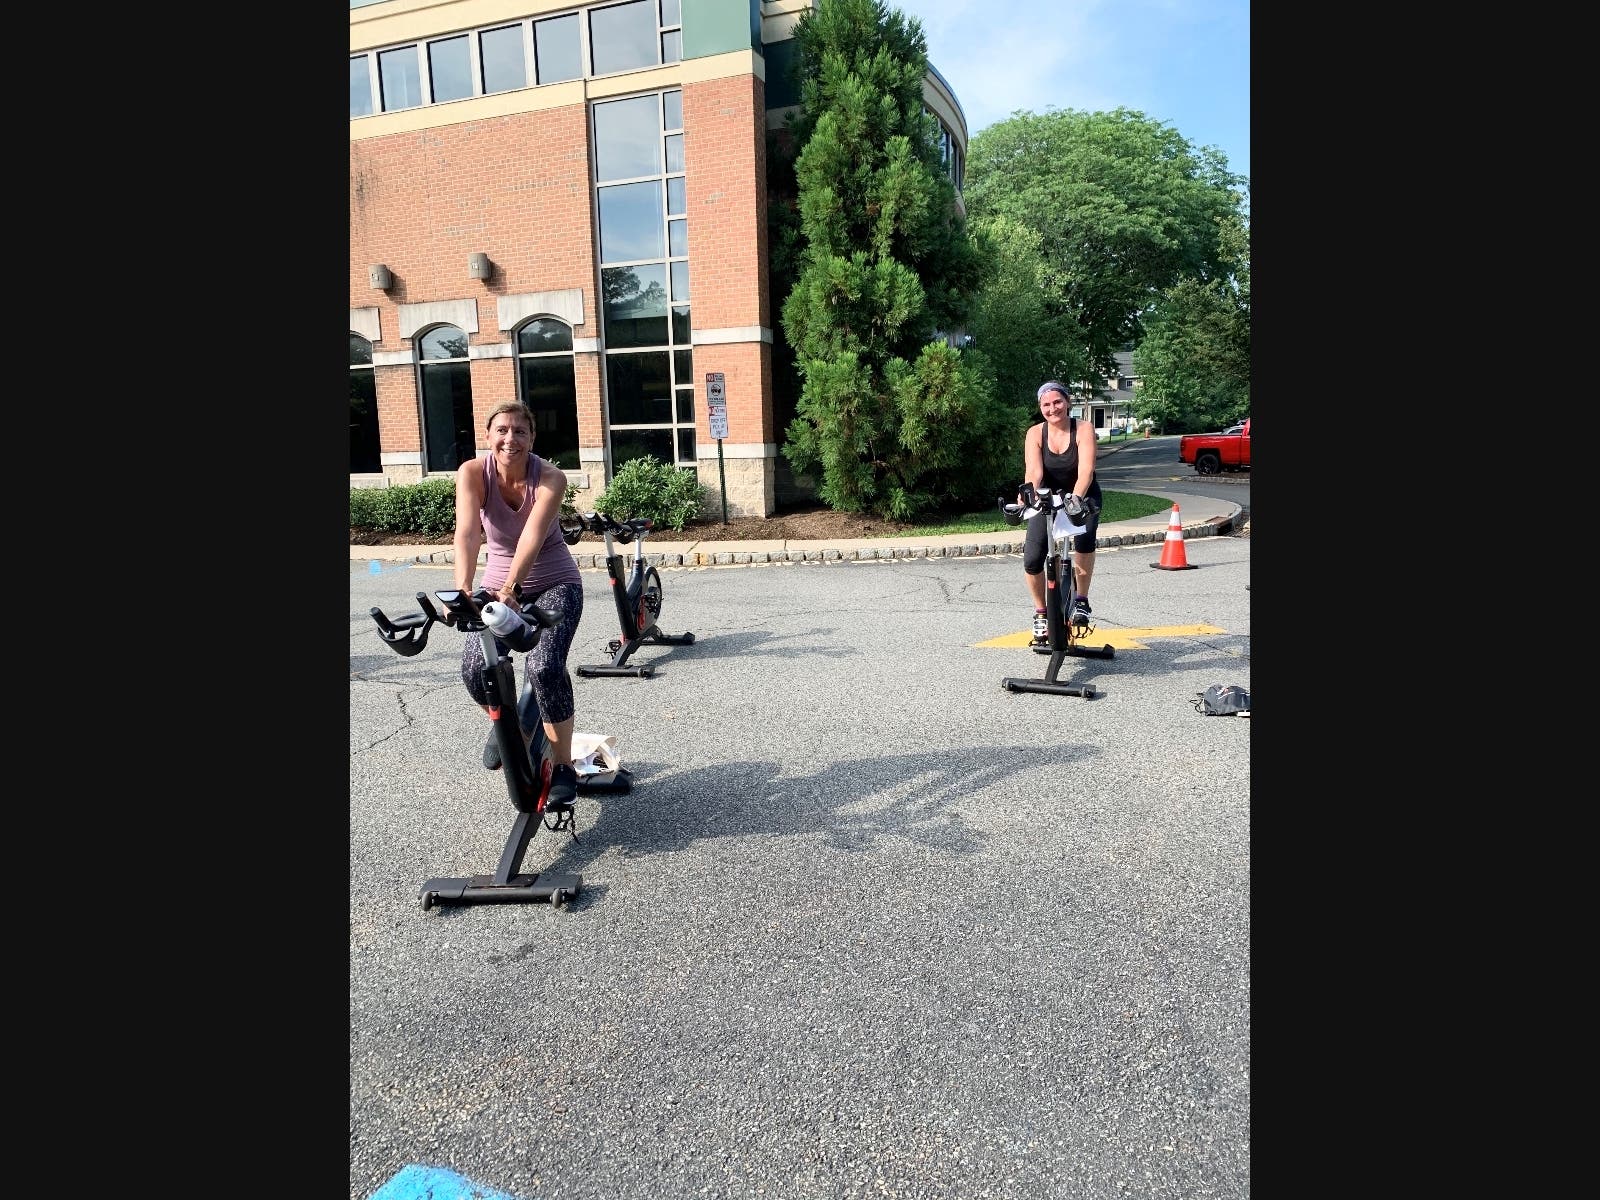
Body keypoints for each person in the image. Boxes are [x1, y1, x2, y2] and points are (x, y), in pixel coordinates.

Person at [452, 400, 584, 811]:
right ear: (488, 435)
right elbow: (468, 534)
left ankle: (563, 766)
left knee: (544, 667)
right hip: (497, 586)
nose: (511, 439)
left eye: (520, 431)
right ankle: (518, 730)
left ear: (532, 438)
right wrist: (464, 591)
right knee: (476, 670)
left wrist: (512, 587)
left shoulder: (550, 478)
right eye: (502, 430)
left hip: (554, 582)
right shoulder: (473, 473)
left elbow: (531, 536)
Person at [1021, 379, 1102, 644]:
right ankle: (1041, 614)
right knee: (1033, 558)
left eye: (1057, 402)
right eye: (1046, 404)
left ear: (1067, 402)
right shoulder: (1035, 433)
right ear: (1040, 407)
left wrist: (1076, 500)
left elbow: (1086, 471)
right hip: (1049, 497)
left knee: (1084, 541)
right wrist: (1026, 497)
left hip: (1082, 493)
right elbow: (1034, 473)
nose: (1053, 408)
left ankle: (1081, 601)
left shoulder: (1083, 428)